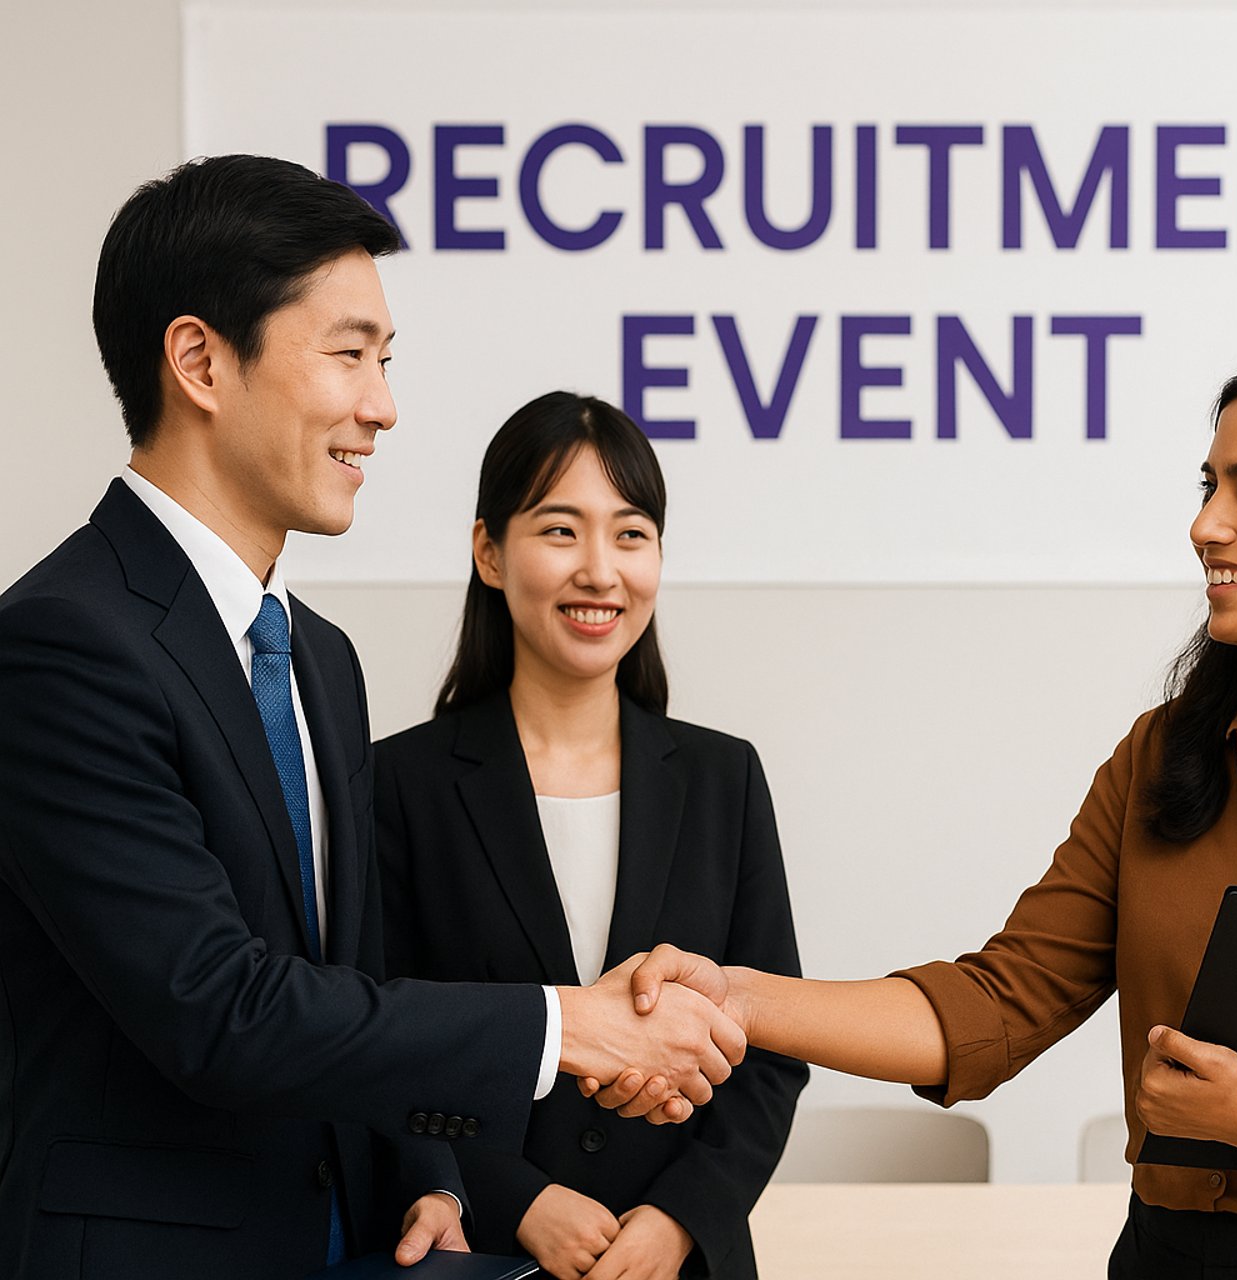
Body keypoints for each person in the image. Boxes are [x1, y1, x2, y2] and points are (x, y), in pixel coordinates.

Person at [597, 343, 1237, 1278]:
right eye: (1208, 486)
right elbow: (999, 1004)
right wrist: (738, 997)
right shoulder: (1163, 756)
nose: (1208, 525)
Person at [0, 156, 744, 1280]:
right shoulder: (64, 644)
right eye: (348, 354)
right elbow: (219, 1009)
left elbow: (355, 986)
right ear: (199, 360)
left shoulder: (319, 659)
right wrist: (568, 1026)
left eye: (384, 362)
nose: (382, 407)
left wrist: (429, 1178)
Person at [375, 391, 806, 1280]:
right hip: (483, 1251)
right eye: (561, 531)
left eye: (631, 534)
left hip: (683, 1260)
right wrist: (514, 1200)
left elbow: (772, 1050)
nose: (601, 571)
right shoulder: (399, 783)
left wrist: (679, 1220)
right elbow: (377, 1039)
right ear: (490, 552)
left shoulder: (724, 779)